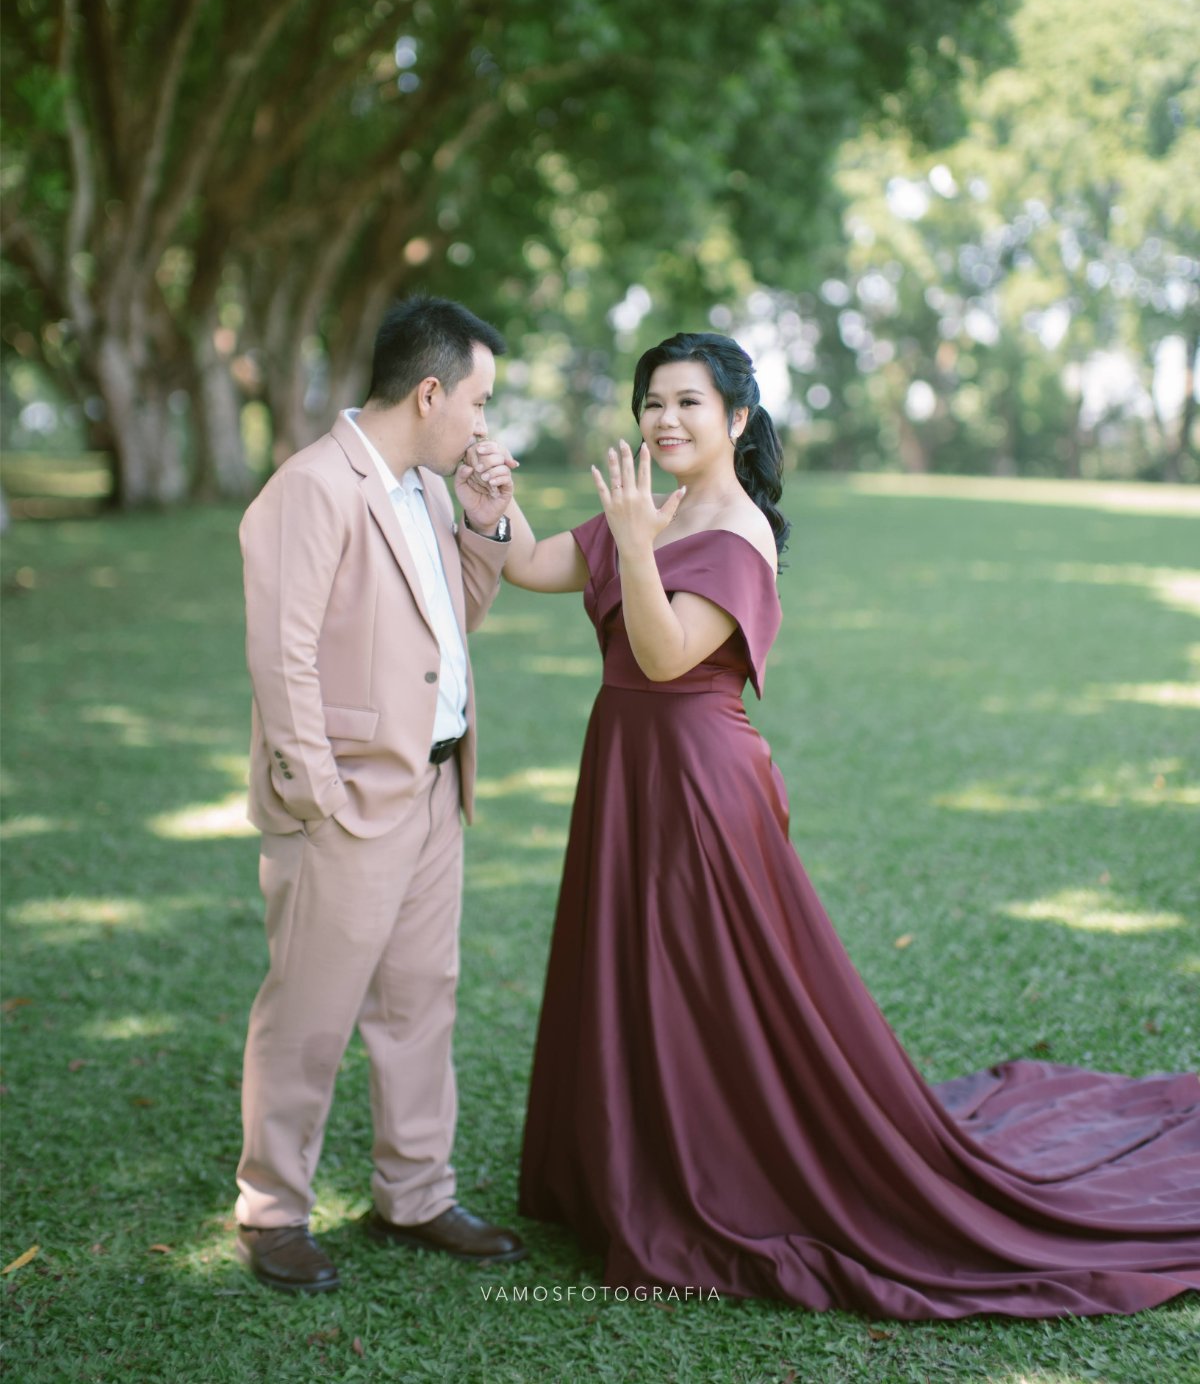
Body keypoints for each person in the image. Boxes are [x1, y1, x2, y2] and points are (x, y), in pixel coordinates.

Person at [500, 329, 1199, 1319]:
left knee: (707, 973)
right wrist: (487, 503)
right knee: (634, 959)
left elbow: (662, 656)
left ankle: (712, 1168)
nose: (665, 419)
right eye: (652, 402)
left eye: (689, 402)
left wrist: (635, 541)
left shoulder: (735, 532)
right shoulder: (650, 507)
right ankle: (630, 1158)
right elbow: (532, 564)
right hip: (625, 764)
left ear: (737, 418)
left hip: (697, 779)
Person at [234, 296, 526, 1293]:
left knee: (419, 1001)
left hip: (436, 787)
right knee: (309, 1014)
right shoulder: (313, 488)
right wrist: (321, 796)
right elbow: (282, 657)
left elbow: (457, 621)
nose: (484, 423)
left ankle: (415, 1193)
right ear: (431, 392)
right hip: (349, 803)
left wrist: (484, 520)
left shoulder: (429, 492)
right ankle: (272, 1210)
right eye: (479, 401)